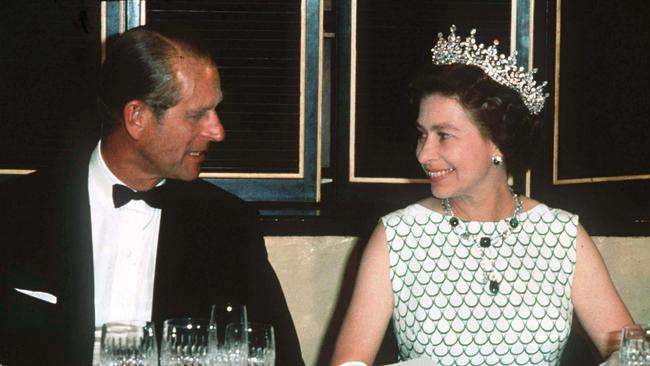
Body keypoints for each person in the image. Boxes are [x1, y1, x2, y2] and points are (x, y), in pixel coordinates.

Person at [0, 26, 304, 366]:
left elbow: (282, 359)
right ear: (137, 117)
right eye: (196, 115)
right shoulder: (14, 209)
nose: (217, 131)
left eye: (215, 110)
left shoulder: (229, 227)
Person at [330, 25, 633, 366]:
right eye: (421, 135)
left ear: (498, 143)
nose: (423, 154)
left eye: (444, 135)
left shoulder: (563, 235)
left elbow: (631, 352)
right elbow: (349, 362)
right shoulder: (396, 236)